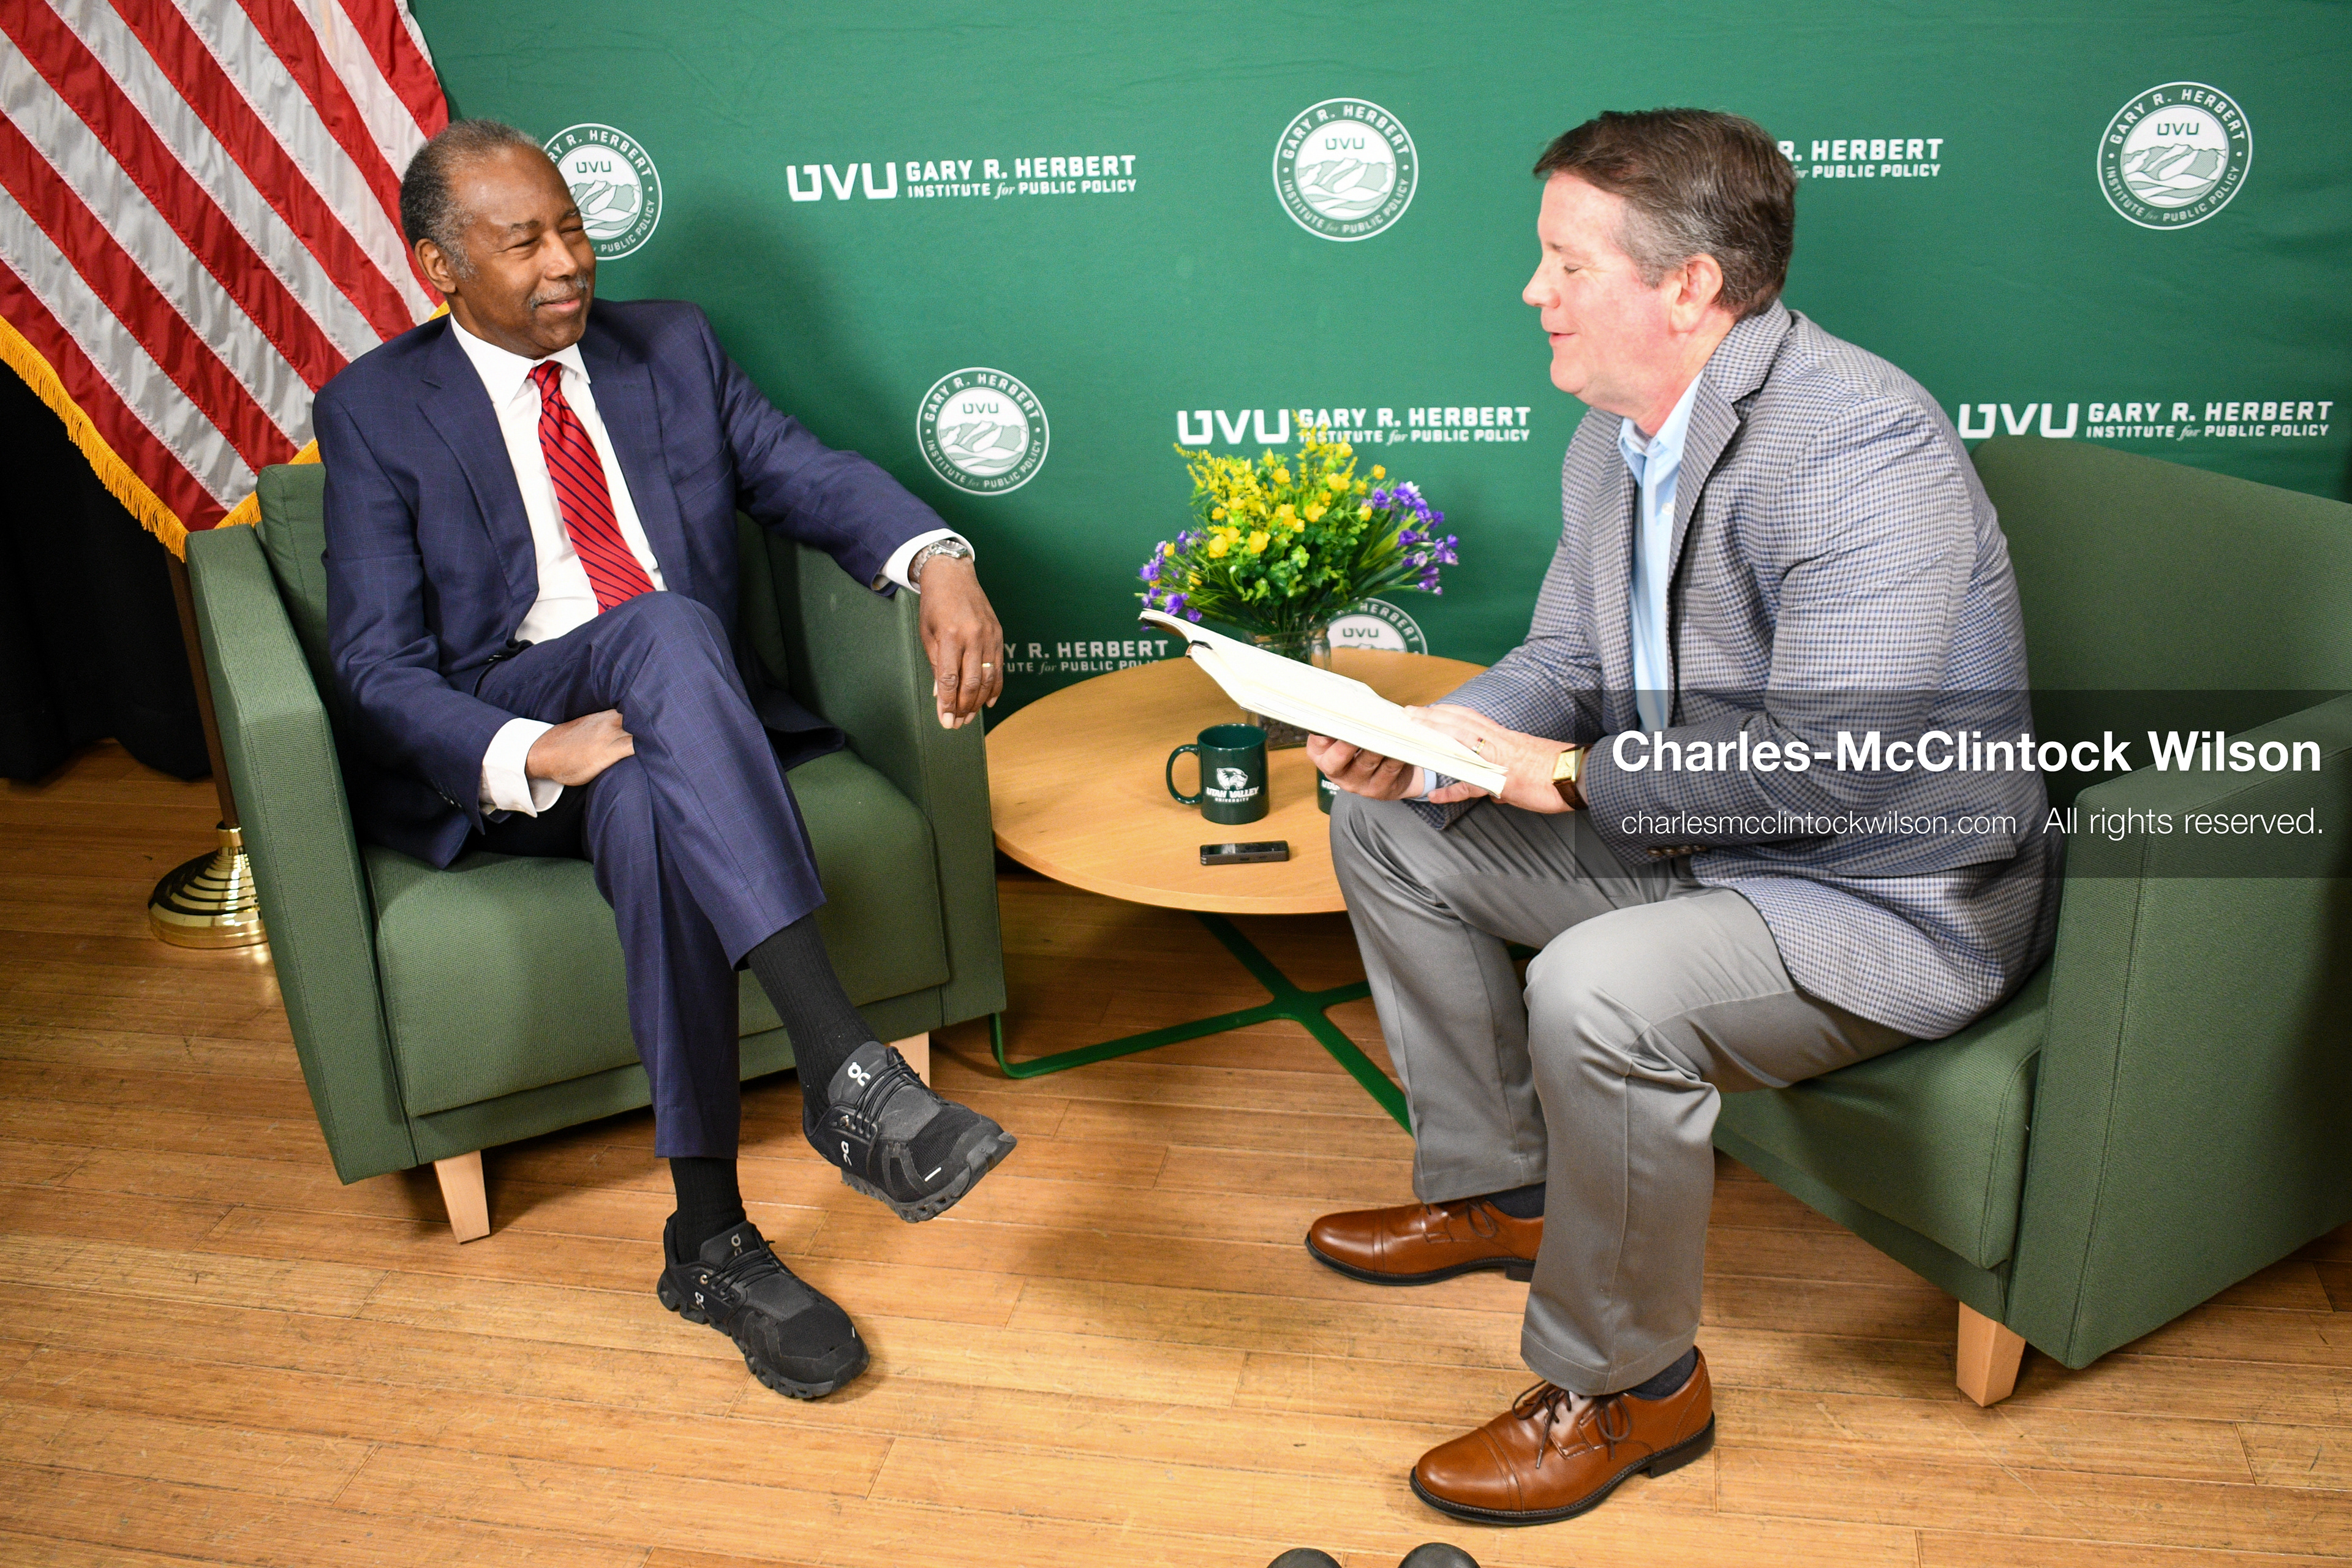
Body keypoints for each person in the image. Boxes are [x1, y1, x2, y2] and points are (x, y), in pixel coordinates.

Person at [1306, 109, 2059, 1525]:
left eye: (1564, 263)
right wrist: (1428, 735)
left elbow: (1832, 766)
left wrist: (1571, 776)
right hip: (1706, 844)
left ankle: (1635, 1385)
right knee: (1393, 828)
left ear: (1690, 287)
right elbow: (1570, 664)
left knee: (1599, 989)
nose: (1533, 292)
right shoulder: (1615, 439)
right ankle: (1502, 1188)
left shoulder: (1862, 442)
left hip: (1878, 897)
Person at [317, 119, 1018, 1402]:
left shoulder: (672, 347)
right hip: (519, 734)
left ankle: (708, 1235)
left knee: (647, 795)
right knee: (661, 627)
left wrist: (940, 558)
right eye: (522, 241)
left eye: (574, 227)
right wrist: (536, 744)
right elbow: (373, 665)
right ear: (437, 265)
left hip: (672, 735)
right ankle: (842, 1066)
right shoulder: (375, 410)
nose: (565, 261)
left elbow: (806, 474)